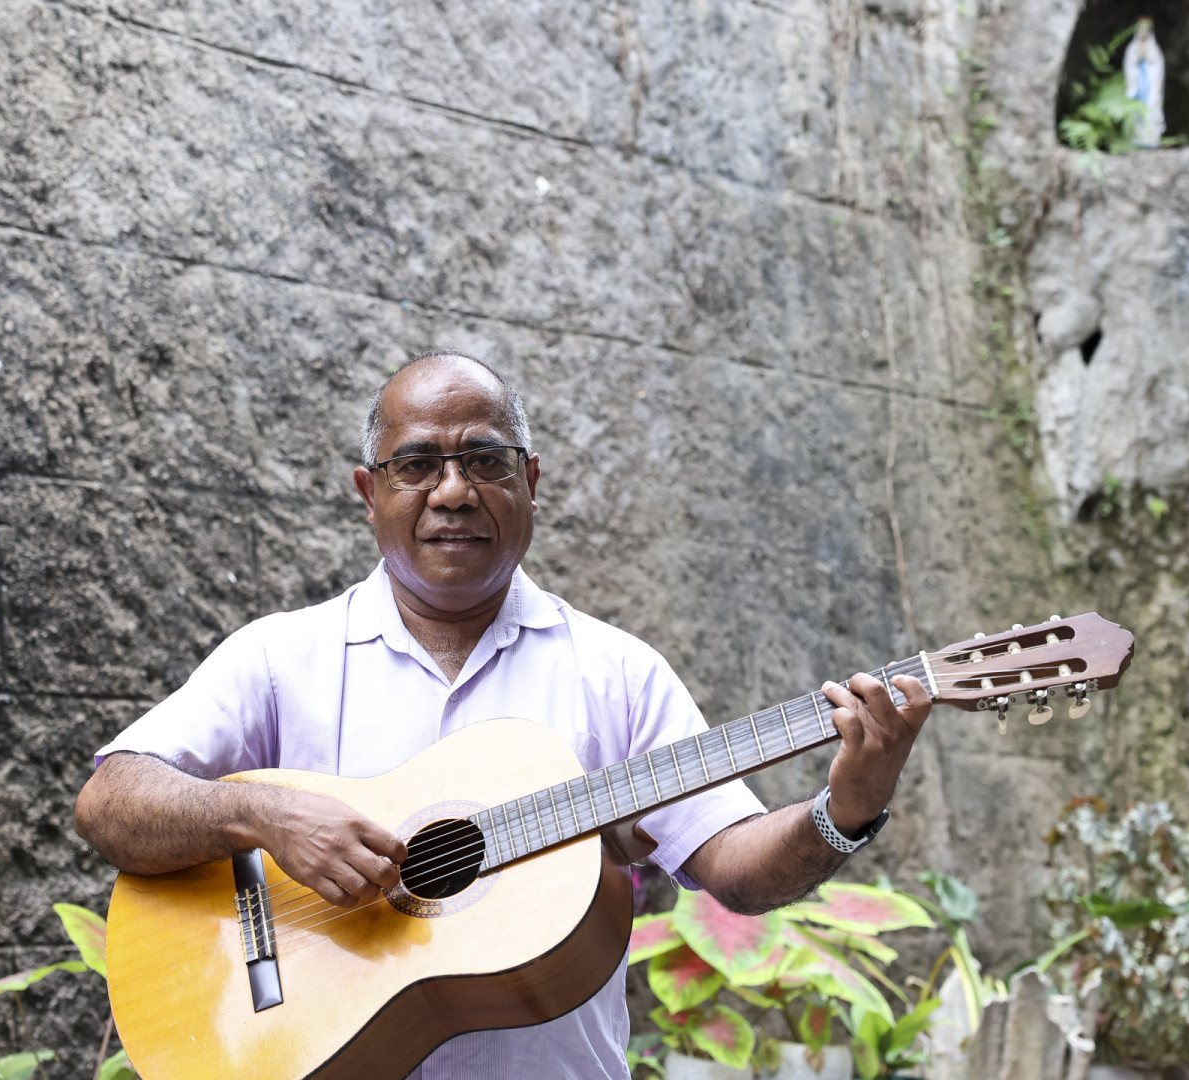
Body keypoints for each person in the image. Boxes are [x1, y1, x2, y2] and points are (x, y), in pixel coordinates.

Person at [73, 351, 931, 1080]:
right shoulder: (279, 659)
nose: (453, 491)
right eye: (418, 465)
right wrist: (260, 813)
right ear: (370, 492)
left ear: (529, 481)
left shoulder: (616, 674)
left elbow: (737, 871)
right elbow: (110, 803)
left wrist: (845, 811)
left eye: (484, 461)